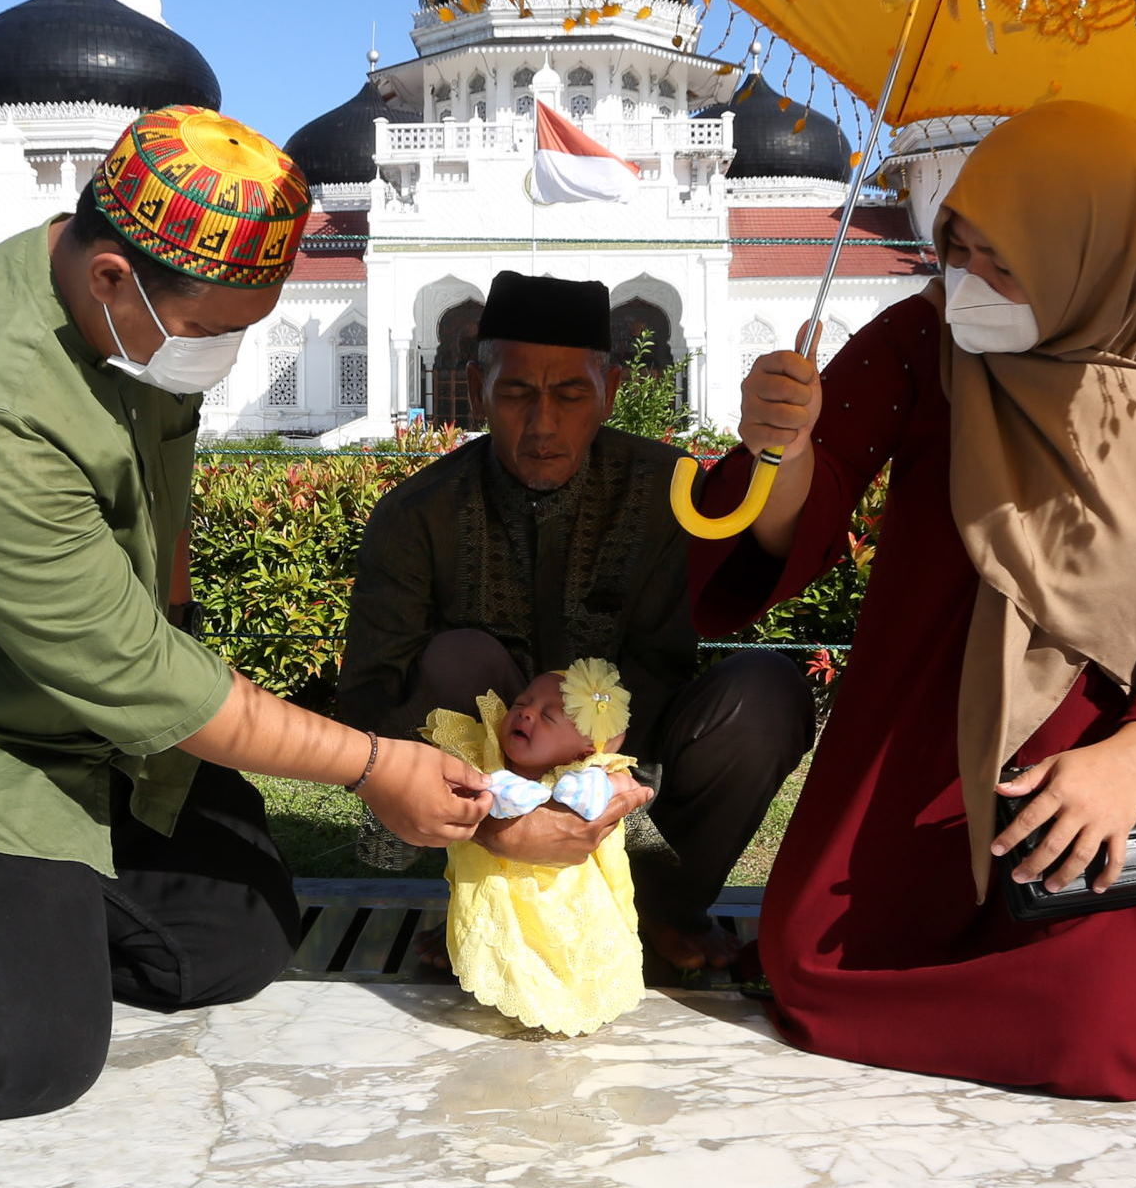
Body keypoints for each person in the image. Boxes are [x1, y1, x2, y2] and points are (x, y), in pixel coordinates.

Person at [0, 107, 493, 1120]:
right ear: (110, 275)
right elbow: (136, 674)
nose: (225, 355)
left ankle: (10, 911)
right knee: (14, 1055)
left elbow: (162, 518)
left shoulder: (132, 324)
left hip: (75, 717)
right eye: (214, 332)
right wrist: (379, 767)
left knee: (235, 942)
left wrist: (184, 642)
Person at [690, 102, 1136, 1100]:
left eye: (1005, 262)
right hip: (916, 753)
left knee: (1105, 1038)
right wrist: (784, 447)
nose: (969, 286)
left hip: (1101, 775)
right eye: (959, 249)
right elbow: (797, 516)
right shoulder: (924, 342)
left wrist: (1130, 760)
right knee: (811, 967)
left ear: (1099, 255)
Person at [338, 271, 815, 972]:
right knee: (456, 662)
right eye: (516, 394)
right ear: (475, 390)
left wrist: (786, 441)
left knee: (767, 692)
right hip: (489, 811)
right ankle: (486, 909)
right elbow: (370, 704)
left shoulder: (667, 489)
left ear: (611, 393)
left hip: (635, 781)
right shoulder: (418, 515)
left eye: (569, 396)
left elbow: (759, 569)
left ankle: (659, 910)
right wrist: (503, 812)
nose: (542, 426)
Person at [422, 658, 645, 1035]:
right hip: (497, 886)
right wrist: (494, 789)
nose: (526, 715)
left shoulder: (590, 772)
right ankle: (511, 992)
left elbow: (628, 786)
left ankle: (572, 999)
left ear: (583, 749)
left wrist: (602, 786)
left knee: (571, 948)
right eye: (522, 703)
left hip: (569, 892)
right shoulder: (484, 754)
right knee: (506, 944)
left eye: (548, 716)